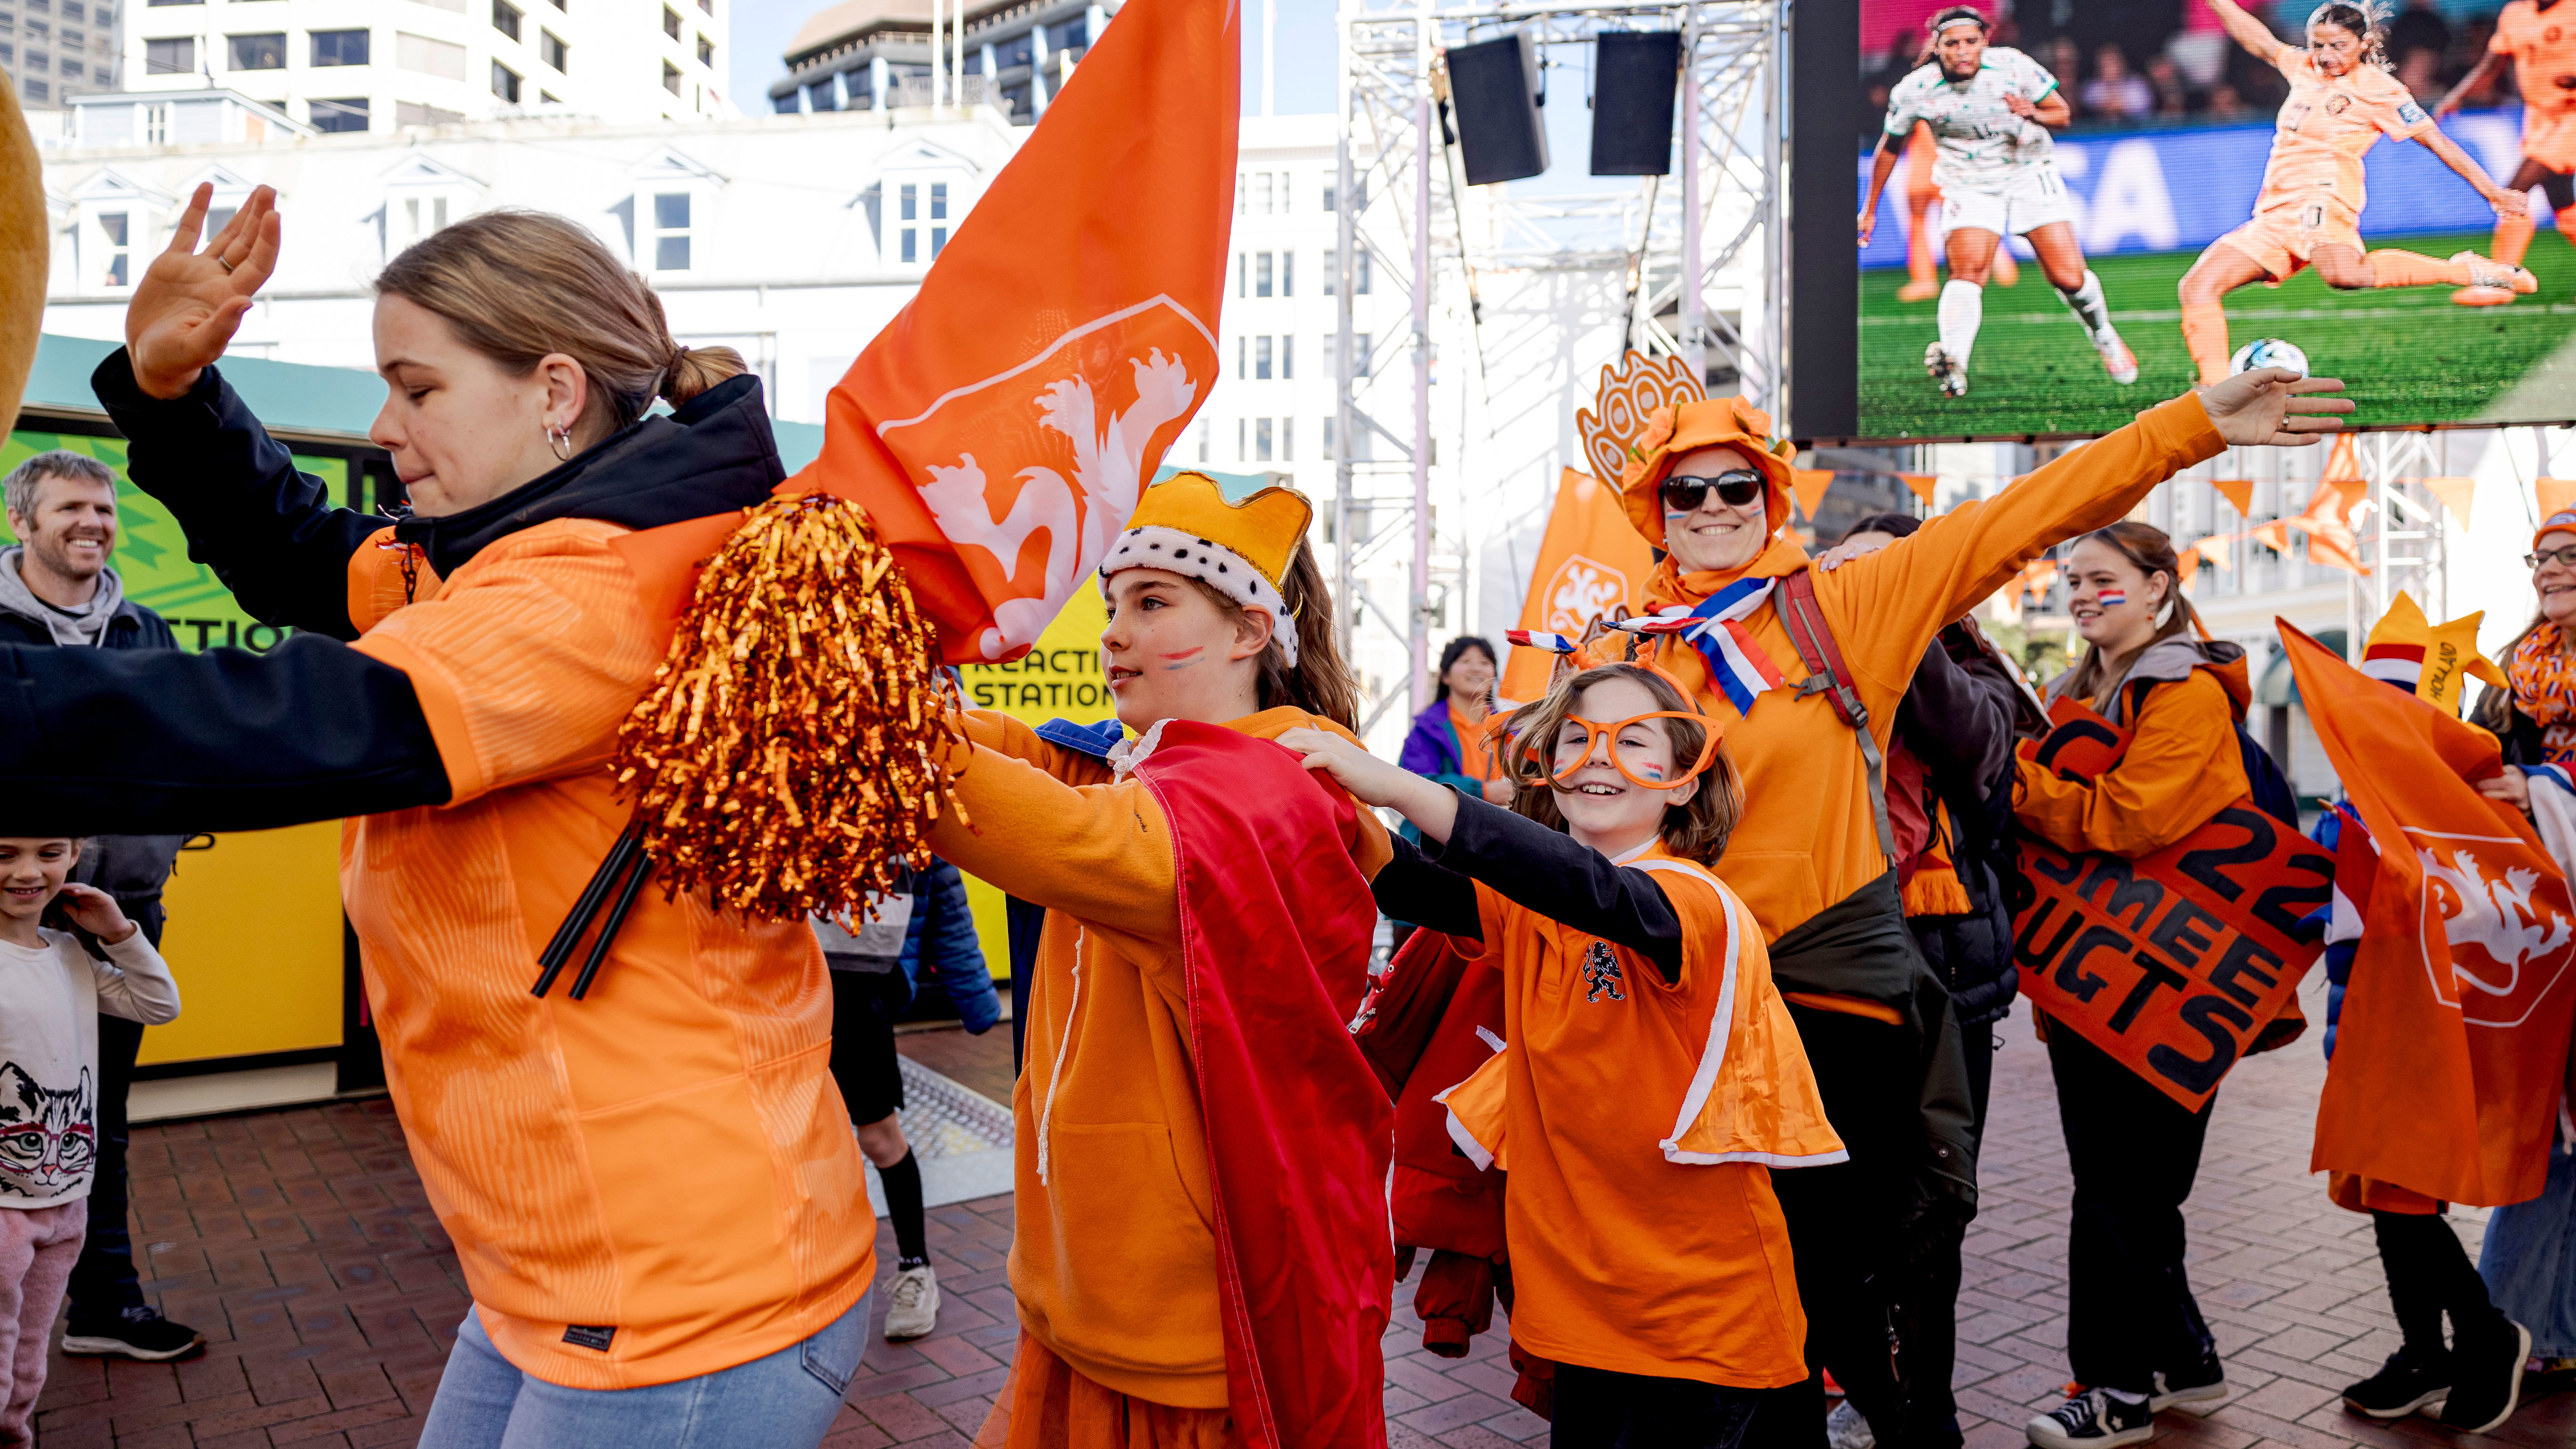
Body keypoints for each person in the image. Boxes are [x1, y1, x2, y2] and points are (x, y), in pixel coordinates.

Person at [0, 187, 880, 1446]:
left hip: (688, 1290)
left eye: (418, 389)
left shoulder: (590, 596)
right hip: (557, 1270)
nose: (384, 425)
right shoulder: (475, 556)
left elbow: (295, 724)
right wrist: (171, 394)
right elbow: (306, 553)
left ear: (554, 389)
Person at [1612, 370, 2350, 1449]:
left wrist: (2185, 428)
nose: (1715, 507)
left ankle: (1921, 1423)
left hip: (1832, 998)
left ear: (1772, 499)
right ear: (1655, 511)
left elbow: (2023, 513)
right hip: (1689, 1004)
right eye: (1688, 493)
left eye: (1737, 485)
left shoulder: (1841, 607)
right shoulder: (1627, 651)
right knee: (1728, 1272)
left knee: (1874, 1260)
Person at [928, 474, 1396, 1448]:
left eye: (1152, 605)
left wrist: (870, 728)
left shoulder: (1279, 793)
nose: (1113, 634)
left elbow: (1066, 836)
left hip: (1191, 1313)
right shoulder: (1141, 764)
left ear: (1249, 633)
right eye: (1113, 607)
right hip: (1080, 1286)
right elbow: (1008, 753)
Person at [1286, 662, 1845, 1446]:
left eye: (1632, 740)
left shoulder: (1696, 905)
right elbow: (1411, 882)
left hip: (1696, 1327)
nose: (1596, 757)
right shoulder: (1535, 903)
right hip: (1581, 1311)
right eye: (1577, 738)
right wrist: (1307, 790)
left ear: (1685, 781)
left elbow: (1594, 891)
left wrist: (1400, 785)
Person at [2012, 523, 2283, 1449]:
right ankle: (2187, 1364)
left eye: (2103, 580)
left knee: (2120, 1194)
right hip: (2104, 986)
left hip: (2163, 981)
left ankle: (2117, 1393)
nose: (2082, 595)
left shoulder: (2184, 689)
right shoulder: (2078, 690)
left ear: (2161, 588)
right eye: (2073, 582)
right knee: (2127, 1188)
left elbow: (2131, 818)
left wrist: (2013, 782)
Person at [1822, 512, 2033, 1449]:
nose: (1870, 589)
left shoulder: (1977, 675)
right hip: (1826, 971)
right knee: (1825, 1215)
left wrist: (1899, 622)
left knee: (1931, 1212)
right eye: (1853, 575)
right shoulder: (1800, 665)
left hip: (1946, 981)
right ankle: (1873, 1388)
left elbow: (1974, 763)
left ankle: (1928, 1412)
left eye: (1896, 572)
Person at [2307, 598, 2530, 1435]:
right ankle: (2421, 1350)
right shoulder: (2362, 787)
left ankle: (2483, 1334)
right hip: (2358, 1014)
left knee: (2402, 1189)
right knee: (2378, 1187)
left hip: (2420, 1022)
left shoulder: (2452, 794)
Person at [0, 450, 199, 1362]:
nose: (94, 522)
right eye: (72, 508)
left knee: (91, 1113)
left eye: (105, 508)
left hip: (117, 914)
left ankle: (101, 1303)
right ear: (23, 523)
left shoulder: (146, 630)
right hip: (8, 915)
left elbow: (184, 750)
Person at [2180, 0, 2536, 386]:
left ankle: (2467, 270)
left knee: (2344, 276)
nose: (2325, 56)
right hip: (2275, 212)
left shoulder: (2380, 90)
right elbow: (2257, 39)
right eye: (2318, 45)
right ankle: (2215, 395)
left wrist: (2493, 193)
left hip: (2324, 199)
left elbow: (2439, 143)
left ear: (2363, 44)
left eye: (2337, 46)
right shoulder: (2303, 68)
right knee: (2198, 287)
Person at [1860, 6, 2141, 401]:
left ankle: (2104, 336)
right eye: (1953, 44)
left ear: (1984, 42)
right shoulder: (1914, 90)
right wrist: (1870, 209)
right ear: (1937, 47)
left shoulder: (2013, 67)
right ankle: (1953, 363)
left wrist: (2032, 112)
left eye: (1970, 42)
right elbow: (1891, 145)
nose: (1962, 51)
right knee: (1968, 271)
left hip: (2028, 173)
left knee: (2069, 278)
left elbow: (2062, 113)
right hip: (1968, 184)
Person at [0, 837, 181, 1445]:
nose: (28, 871)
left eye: (49, 851)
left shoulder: (71, 952)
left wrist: (121, 931)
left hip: (66, 1202)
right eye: (4, 853)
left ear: (77, 853)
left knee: (28, 1365)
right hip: (4, 1206)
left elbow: (159, 1003)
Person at [2464, 510, 2576, 1390]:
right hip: (2534, 930)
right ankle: (2504, 1324)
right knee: (2548, 1131)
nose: (2548, 570)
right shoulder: (2507, 670)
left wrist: (2541, 790)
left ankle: (2523, 1328)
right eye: (2539, 556)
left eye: (2568, 555)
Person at [813, 853, 999, 1344]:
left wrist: (978, 1002)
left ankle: (917, 1271)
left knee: (879, 1138)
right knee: (793, 1140)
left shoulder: (909, 807)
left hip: (859, 993)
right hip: (786, 985)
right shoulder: (791, 795)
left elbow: (951, 912)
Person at [2436, 0, 2576, 306]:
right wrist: (2456, 95)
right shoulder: (2516, 13)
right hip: (2538, 118)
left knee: (2515, 191)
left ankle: (2501, 282)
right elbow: (2492, 63)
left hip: (2572, 115)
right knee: (2563, 202)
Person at [1401, 636, 1513, 807]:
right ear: (1445, 676)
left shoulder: (1508, 729)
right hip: (1439, 831)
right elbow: (1414, 783)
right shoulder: (1427, 728)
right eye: (1466, 661)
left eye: (1485, 663)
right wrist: (1483, 791)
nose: (1476, 668)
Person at [2082, 45, 2154, 120]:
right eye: (2104, 65)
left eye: (2111, 64)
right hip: (2103, 130)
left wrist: (2118, 107)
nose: (2108, 69)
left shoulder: (2137, 85)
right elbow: (2088, 101)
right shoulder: (2093, 88)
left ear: (2121, 65)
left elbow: (2142, 106)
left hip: (2136, 128)